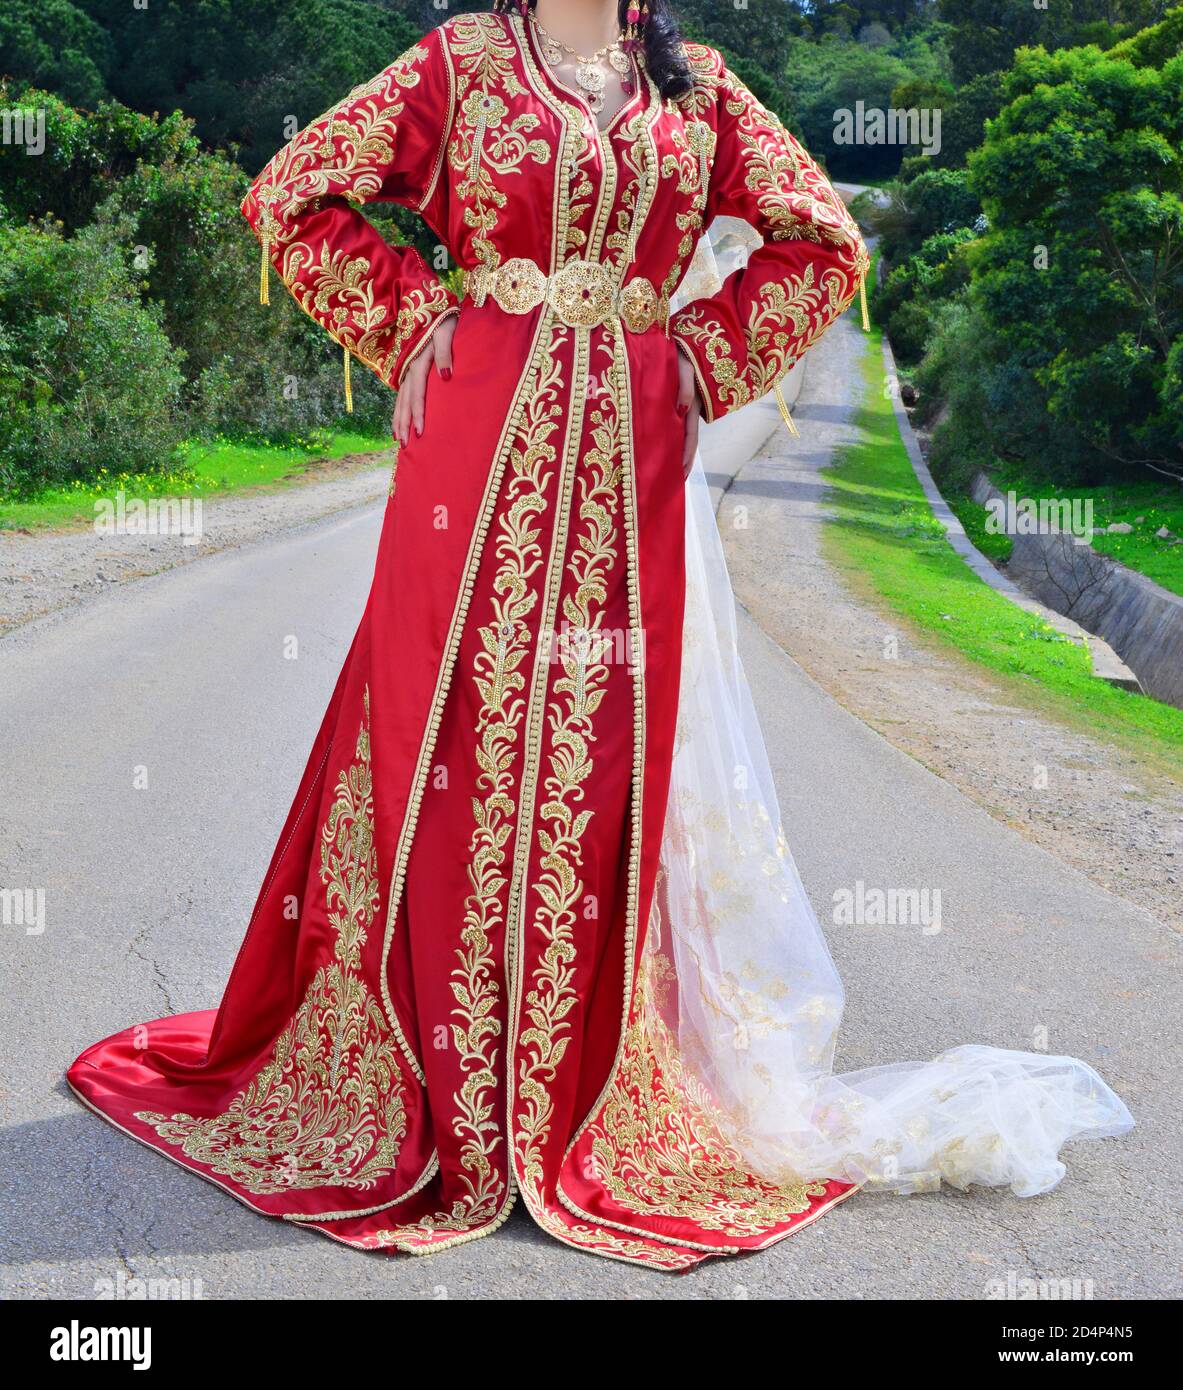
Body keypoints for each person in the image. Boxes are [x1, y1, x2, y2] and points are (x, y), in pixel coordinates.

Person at [68, 0, 1131, 1270]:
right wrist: (410, 318)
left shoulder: (702, 88)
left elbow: (821, 243)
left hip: (633, 450)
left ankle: (569, 1092)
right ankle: (428, 1088)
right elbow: (297, 192)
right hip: (471, 435)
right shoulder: (460, 61)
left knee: (598, 752)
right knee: (439, 732)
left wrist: (704, 350)